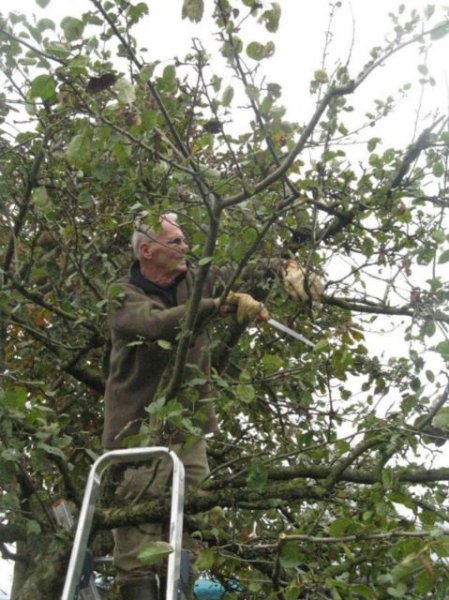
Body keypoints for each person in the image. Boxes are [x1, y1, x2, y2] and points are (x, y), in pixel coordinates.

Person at [102, 213, 270, 600]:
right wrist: (220, 307)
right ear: (147, 250)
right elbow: (155, 325)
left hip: (189, 429)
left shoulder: (195, 281)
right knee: (139, 537)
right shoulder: (121, 294)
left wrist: (285, 268)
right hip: (138, 431)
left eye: (184, 240)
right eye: (175, 241)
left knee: (192, 521)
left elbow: (241, 272)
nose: (185, 247)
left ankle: (181, 589)